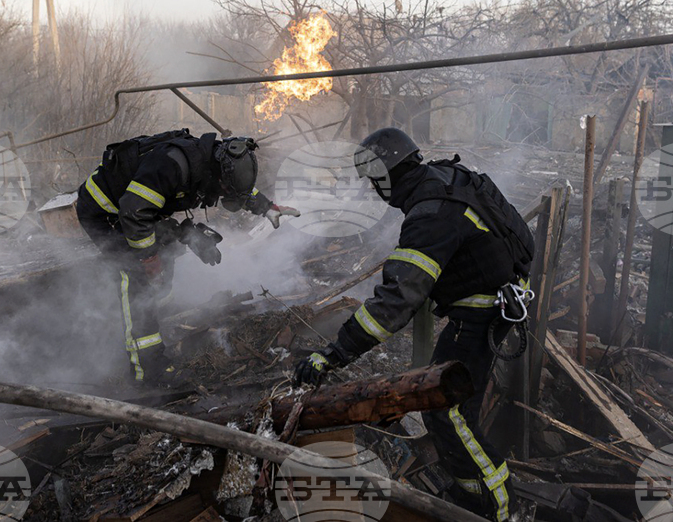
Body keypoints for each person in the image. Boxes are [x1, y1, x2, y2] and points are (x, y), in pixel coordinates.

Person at [292, 128, 535, 522]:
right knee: (452, 407)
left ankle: (493, 509)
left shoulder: (429, 215)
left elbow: (397, 301)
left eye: (374, 182)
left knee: (448, 410)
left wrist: (334, 353)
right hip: (501, 295)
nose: (373, 190)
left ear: (387, 177)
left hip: (482, 310)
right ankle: (473, 490)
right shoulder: (443, 177)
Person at [76, 129, 299, 384]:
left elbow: (236, 187)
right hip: (107, 211)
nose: (224, 193)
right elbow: (133, 212)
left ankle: (153, 318)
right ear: (219, 171)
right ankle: (148, 371)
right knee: (134, 276)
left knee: (166, 253)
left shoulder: (212, 162)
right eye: (224, 188)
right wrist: (148, 258)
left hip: (140, 211)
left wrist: (267, 207)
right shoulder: (172, 164)